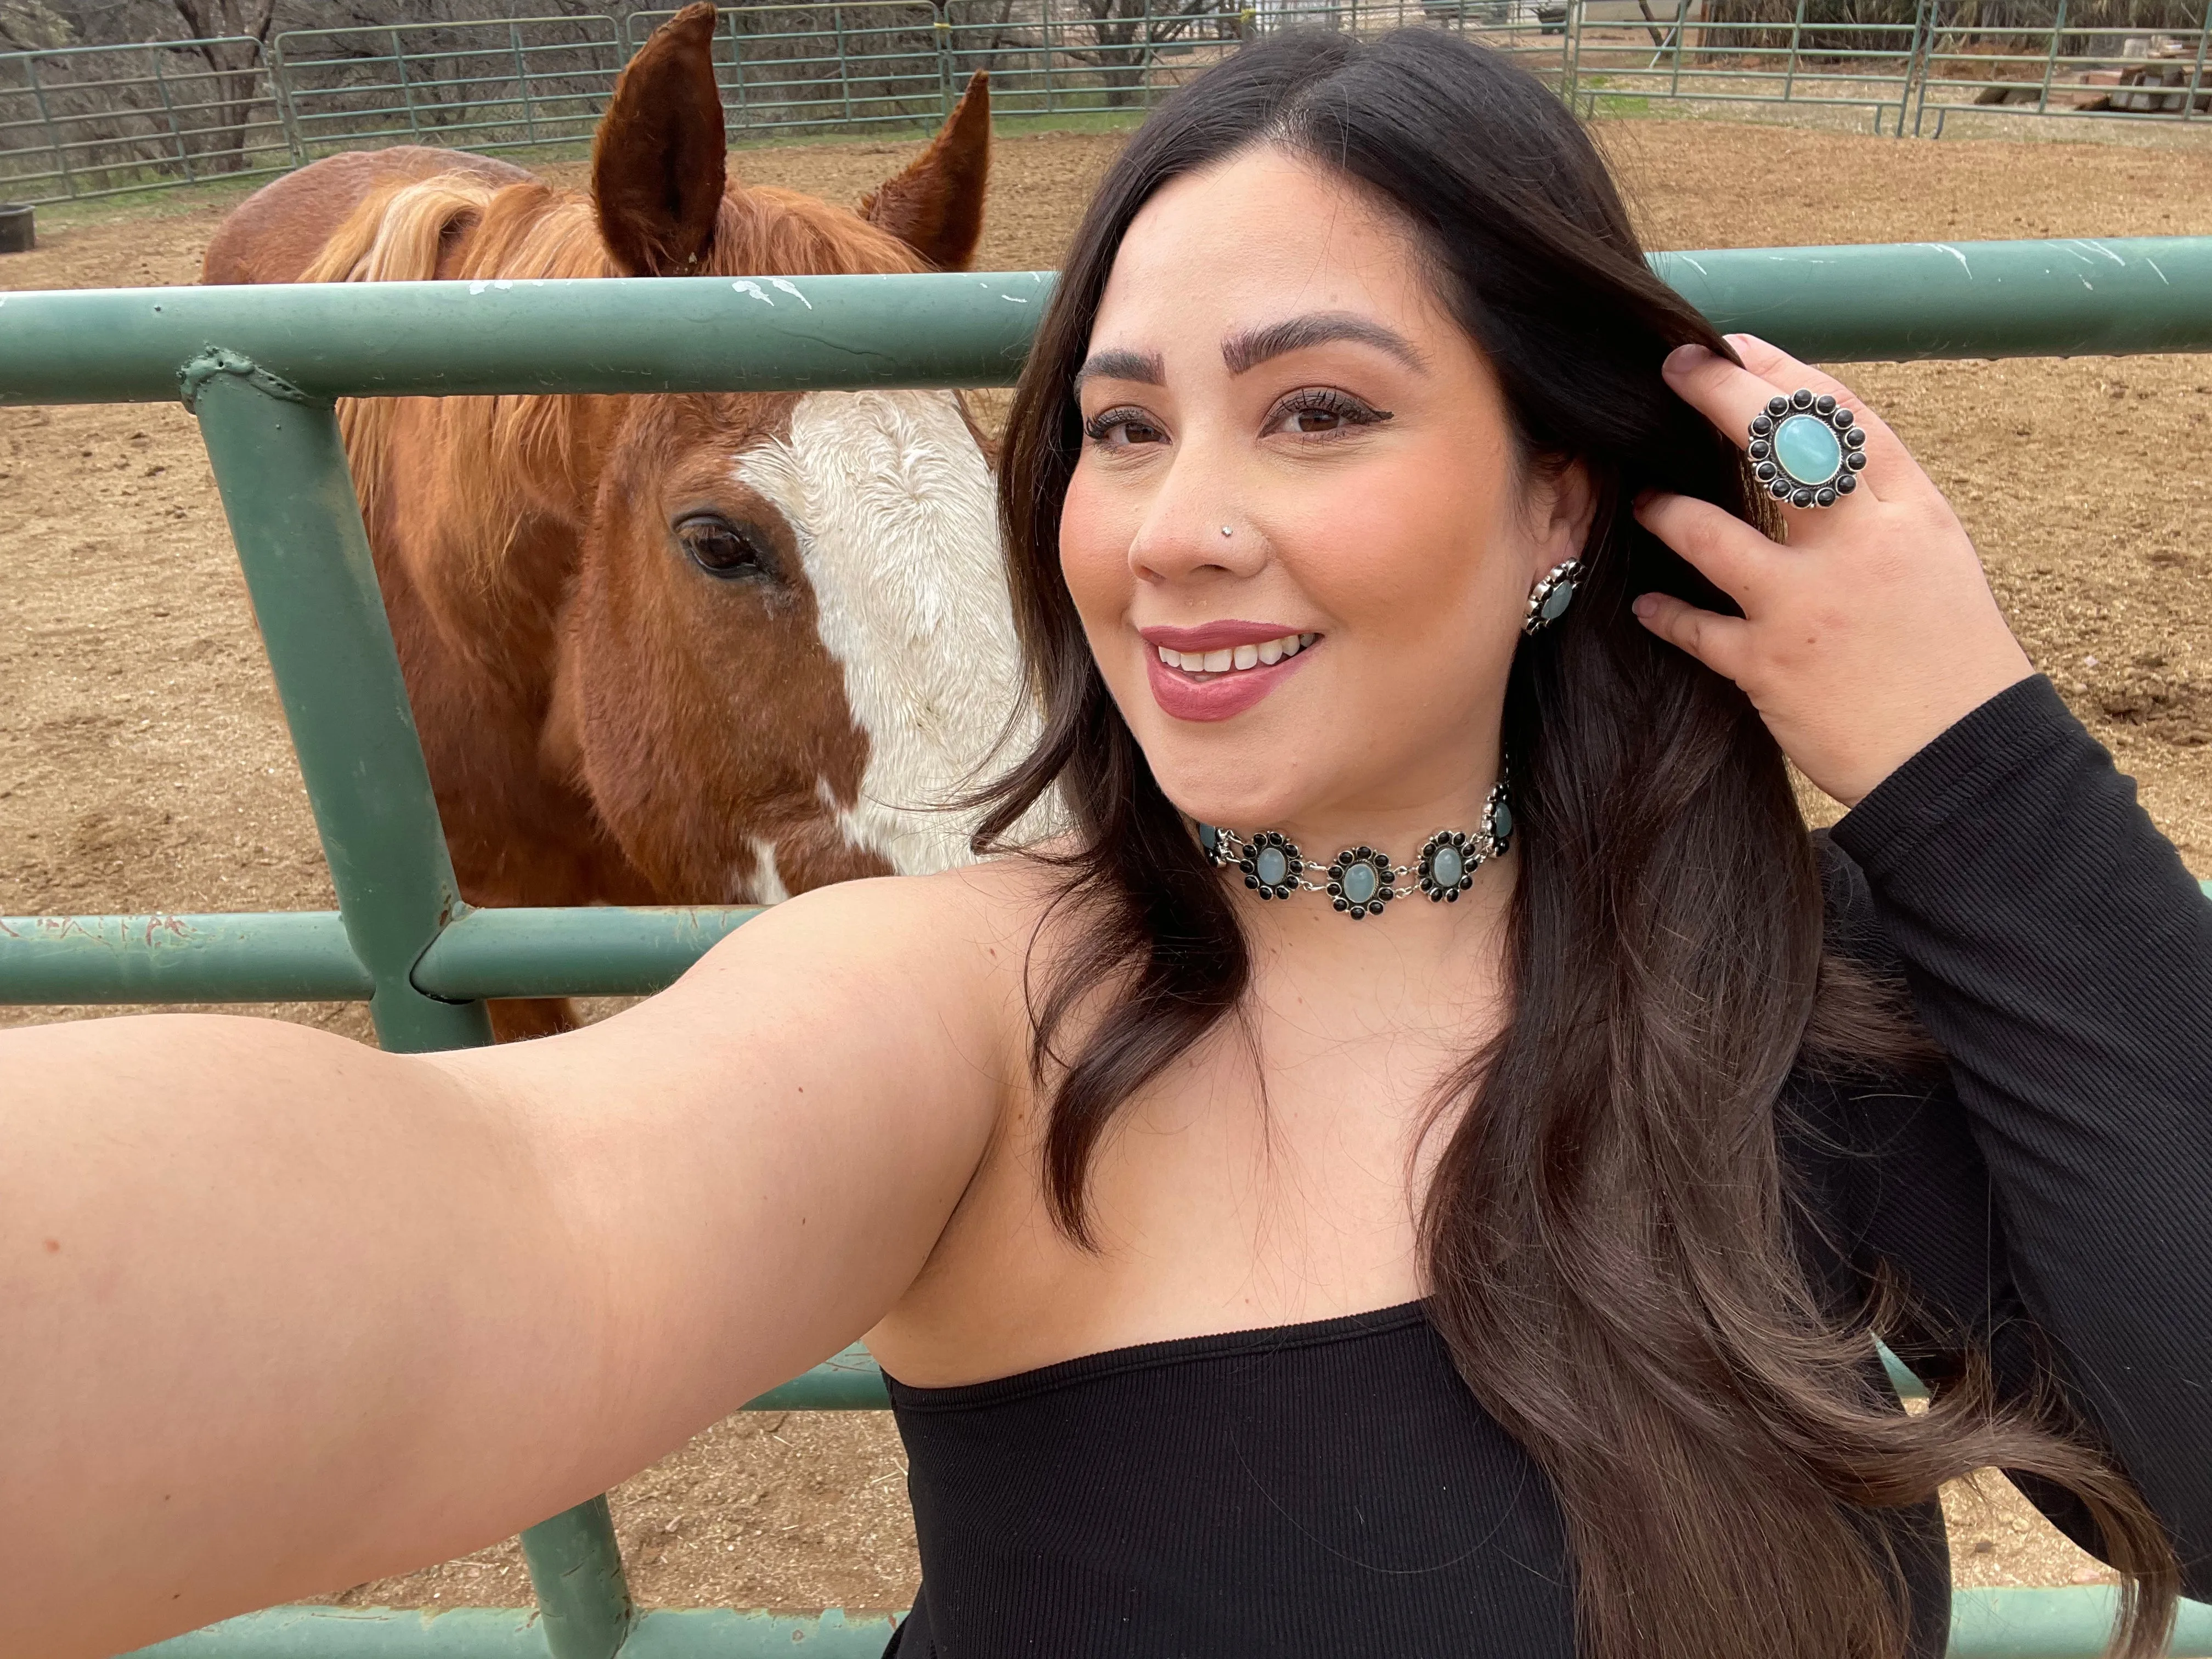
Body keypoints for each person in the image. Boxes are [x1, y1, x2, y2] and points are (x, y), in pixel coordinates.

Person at [7, 26, 2210, 1659]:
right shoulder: (990, 999)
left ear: (1561, 495)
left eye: (1317, 410)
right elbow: (503, 1217)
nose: (1174, 534)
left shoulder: (1796, 1011)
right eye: (1123, 428)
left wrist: (1971, 746)